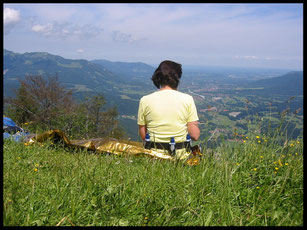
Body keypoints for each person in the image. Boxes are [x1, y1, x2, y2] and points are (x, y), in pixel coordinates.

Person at [137, 60, 200, 161]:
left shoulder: (145, 100)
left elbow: (143, 135)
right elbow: (195, 135)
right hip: (180, 158)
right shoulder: (188, 99)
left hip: (153, 157)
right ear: (177, 78)